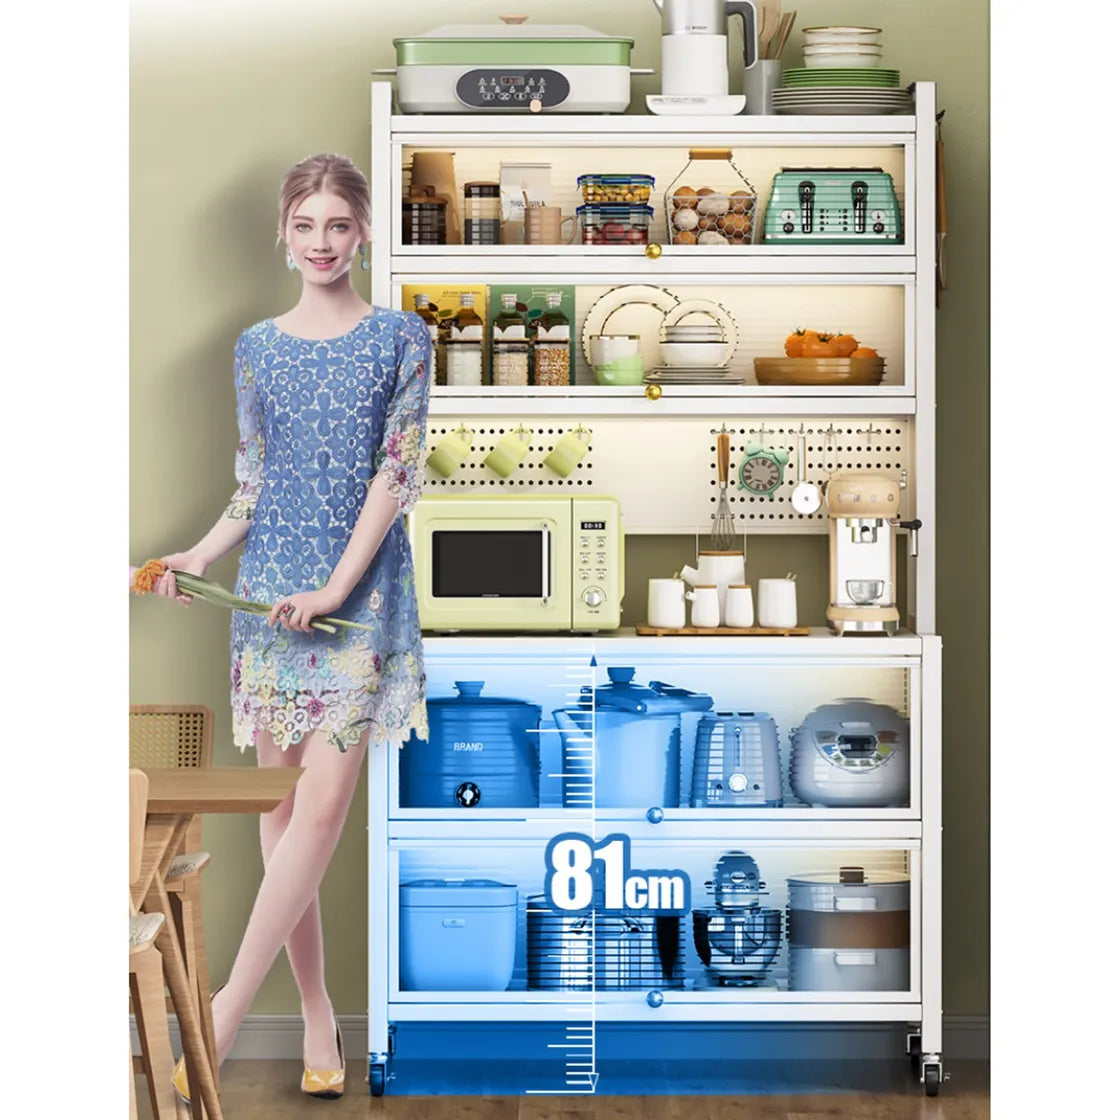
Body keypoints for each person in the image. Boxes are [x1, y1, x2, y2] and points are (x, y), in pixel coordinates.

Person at [153, 152, 431, 1101]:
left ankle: (223, 1011)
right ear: (284, 232)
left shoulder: (403, 338)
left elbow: (395, 478)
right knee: (280, 827)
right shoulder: (256, 347)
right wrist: (196, 554)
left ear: (363, 232)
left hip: (357, 607)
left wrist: (335, 591)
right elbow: (254, 485)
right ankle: (317, 1017)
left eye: (339, 225)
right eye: (305, 225)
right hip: (268, 603)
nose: (321, 242)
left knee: (318, 811)